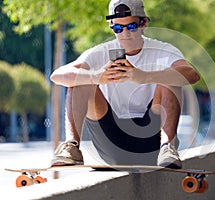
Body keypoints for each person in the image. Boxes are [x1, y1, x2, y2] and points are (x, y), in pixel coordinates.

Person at [49, 0, 200, 169]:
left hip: (153, 143)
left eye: (131, 27)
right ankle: (71, 146)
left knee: (172, 77)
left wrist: (144, 77)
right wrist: (96, 77)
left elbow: (192, 74)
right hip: (111, 141)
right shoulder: (100, 52)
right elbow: (57, 76)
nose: (125, 34)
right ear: (111, 27)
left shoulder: (162, 50)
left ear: (143, 23)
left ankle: (168, 147)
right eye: (118, 29)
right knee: (80, 80)